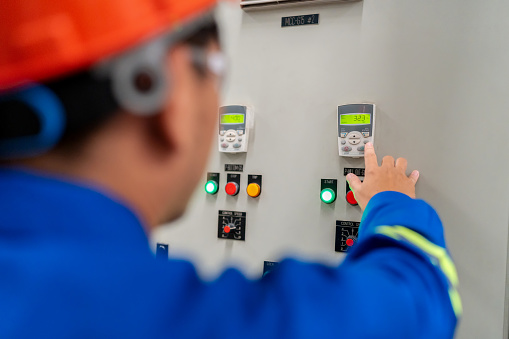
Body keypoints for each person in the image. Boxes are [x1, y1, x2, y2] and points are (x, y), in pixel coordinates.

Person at [0, 0, 461, 338]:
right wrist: (393, 203)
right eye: (215, 69)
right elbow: (413, 304)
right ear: (167, 96)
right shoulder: (197, 322)